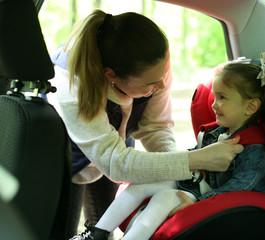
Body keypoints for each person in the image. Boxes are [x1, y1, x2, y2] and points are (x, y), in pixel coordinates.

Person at [47, 10, 243, 239]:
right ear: (111, 75)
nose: (161, 84)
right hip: (63, 153)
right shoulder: (72, 84)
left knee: (106, 225)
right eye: (150, 83)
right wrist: (195, 159)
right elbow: (116, 162)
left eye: (163, 74)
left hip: (116, 147)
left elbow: (155, 128)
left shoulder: (153, 69)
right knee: (61, 231)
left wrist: (181, 179)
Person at [68, 52, 265, 240]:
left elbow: (239, 188)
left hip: (212, 197)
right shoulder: (217, 132)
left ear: (251, 106)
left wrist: (200, 203)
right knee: (140, 184)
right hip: (194, 183)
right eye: (214, 96)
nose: (214, 104)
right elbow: (196, 157)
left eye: (222, 98)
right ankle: (97, 233)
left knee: (163, 198)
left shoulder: (255, 149)